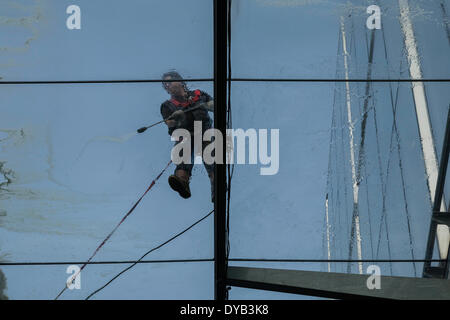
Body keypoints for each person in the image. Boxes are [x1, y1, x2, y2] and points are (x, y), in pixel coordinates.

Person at [160, 70, 215, 202]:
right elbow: (170, 124)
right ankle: (181, 180)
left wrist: (207, 105)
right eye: (165, 86)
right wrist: (176, 119)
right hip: (186, 136)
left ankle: (216, 187)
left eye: (169, 82)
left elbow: (215, 105)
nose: (167, 86)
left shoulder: (199, 95)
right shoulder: (168, 106)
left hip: (204, 132)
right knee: (183, 152)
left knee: (211, 158)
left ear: (180, 81)